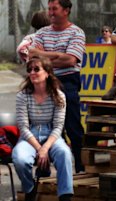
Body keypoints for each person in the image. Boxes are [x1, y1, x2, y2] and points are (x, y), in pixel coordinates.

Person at [28, 0, 86, 173]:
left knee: (72, 126)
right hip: (45, 82)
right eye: (49, 9)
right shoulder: (42, 32)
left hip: (67, 81)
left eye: (55, 9)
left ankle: (81, 167)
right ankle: (45, 169)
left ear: (66, 11)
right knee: (43, 127)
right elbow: (32, 56)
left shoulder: (76, 32)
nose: (51, 13)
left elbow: (70, 60)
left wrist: (43, 55)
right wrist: (57, 56)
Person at [12, 56, 73, 201]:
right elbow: (23, 126)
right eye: (29, 70)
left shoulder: (59, 96)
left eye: (36, 69)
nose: (32, 72)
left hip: (52, 134)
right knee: (20, 158)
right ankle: (30, 187)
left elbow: (58, 126)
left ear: (47, 73)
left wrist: (45, 148)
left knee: (64, 153)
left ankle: (65, 195)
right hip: (30, 135)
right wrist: (39, 149)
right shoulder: (23, 96)